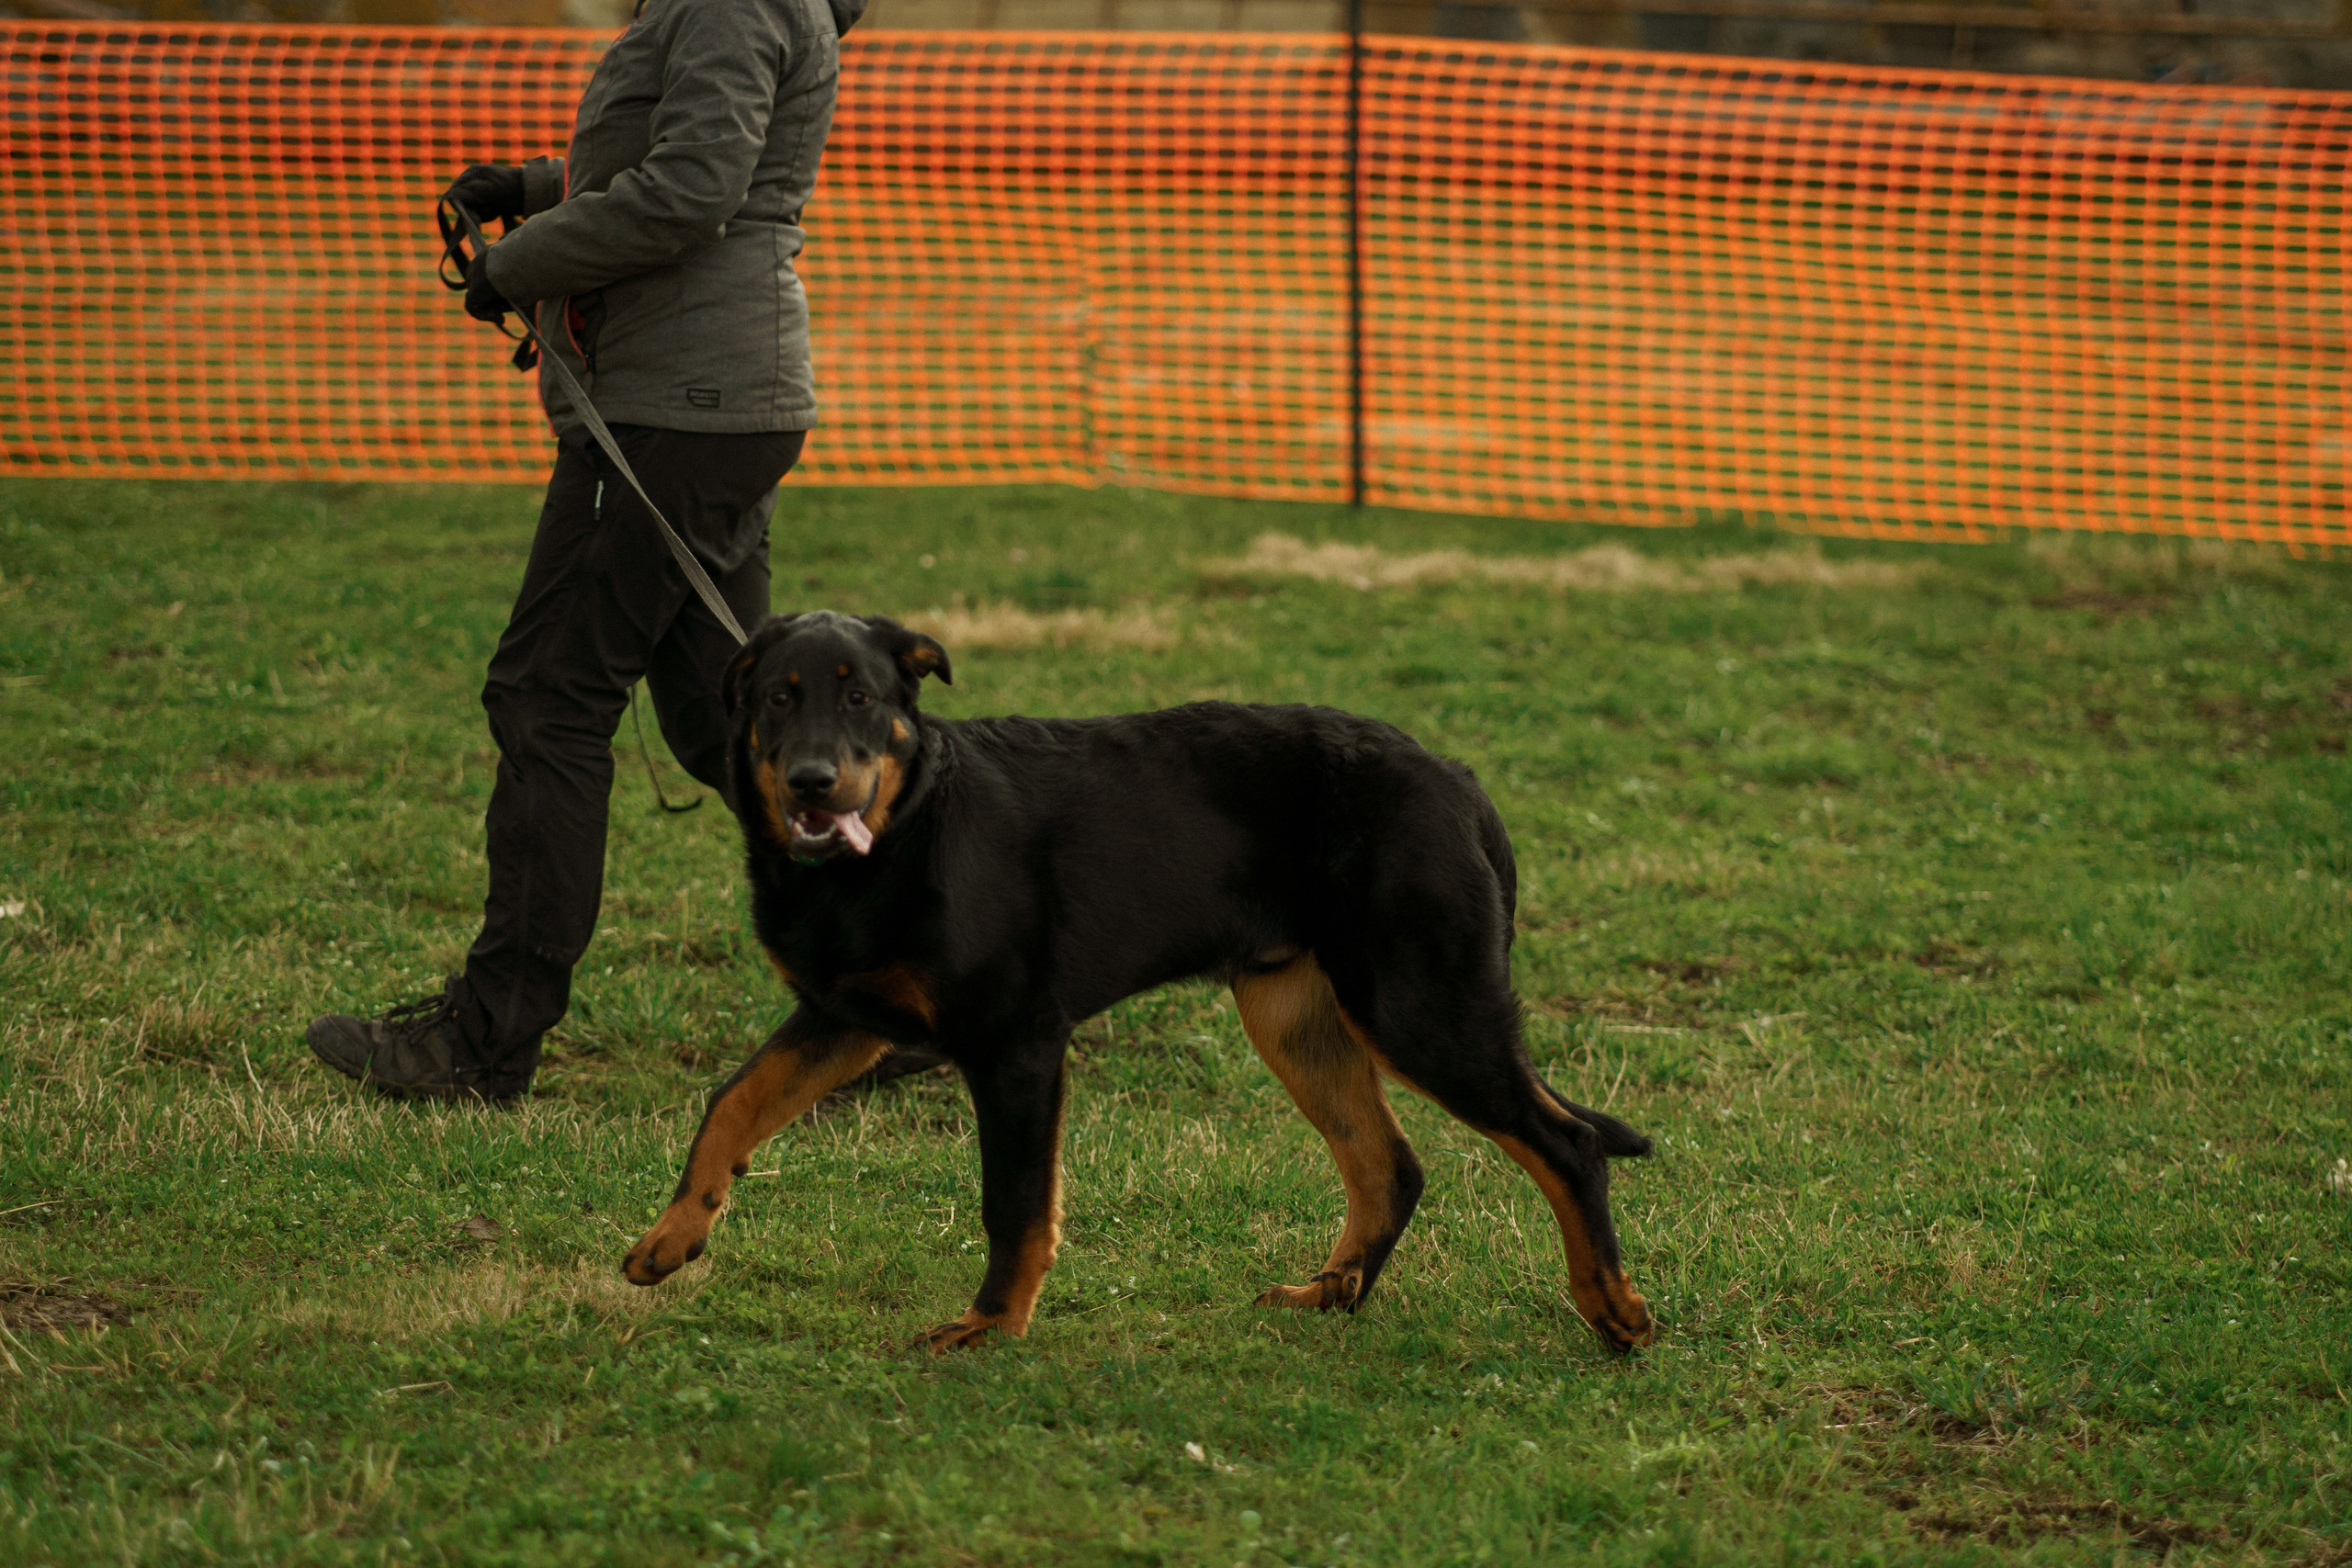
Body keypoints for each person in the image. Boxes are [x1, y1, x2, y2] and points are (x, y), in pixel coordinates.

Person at [307, 0, 890, 1103]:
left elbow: (696, 189)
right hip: (712, 397)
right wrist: (536, 187)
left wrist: (522, 260)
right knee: (718, 722)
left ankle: (484, 1043)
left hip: (677, 405)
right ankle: (899, 989)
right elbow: (700, 150)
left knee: (548, 700)